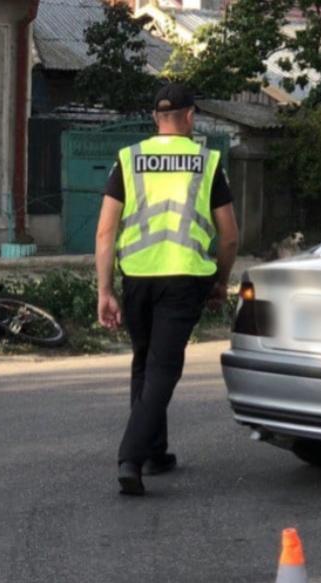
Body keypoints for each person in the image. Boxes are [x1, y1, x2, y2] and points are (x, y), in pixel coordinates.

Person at [94, 83, 240, 496]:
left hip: (137, 275)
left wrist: (105, 289)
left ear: (156, 118)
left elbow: (106, 231)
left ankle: (154, 452)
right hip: (184, 277)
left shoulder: (130, 159)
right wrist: (221, 280)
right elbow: (228, 236)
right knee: (163, 367)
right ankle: (131, 456)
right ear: (190, 116)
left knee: (144, 360)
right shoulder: (206, 162)